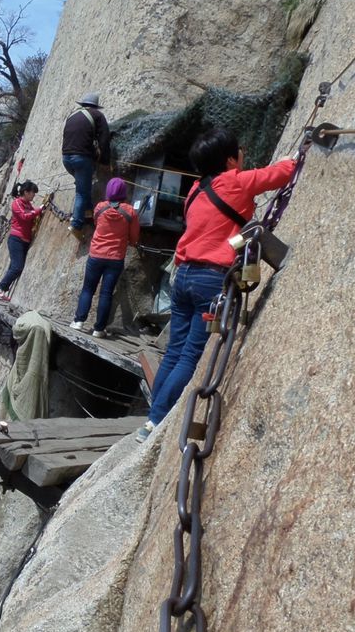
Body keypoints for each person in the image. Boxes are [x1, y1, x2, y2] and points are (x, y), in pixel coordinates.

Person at [136, 128, 295, 442]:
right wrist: (293, 157)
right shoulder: (235, 180)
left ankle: (152, 415)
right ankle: (156, 421)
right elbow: (281, 174)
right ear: (229, 159)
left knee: (173, 352)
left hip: (182, 276)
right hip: (211, 278)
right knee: (189, 355)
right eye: (239, 151)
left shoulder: (195, 191)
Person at [71, 177, 140, 337]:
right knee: (106, 293)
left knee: (88, 288)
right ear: (124, 192)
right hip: (116, 258)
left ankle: (79, 321)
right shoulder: (130, 212)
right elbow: (134, 238)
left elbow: (97, 223)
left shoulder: (100, 207)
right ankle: (99, 329)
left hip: (96, 254)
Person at [61, 92, 111, 238]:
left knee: (84, 186)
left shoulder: (72, 115)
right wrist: (105, 161)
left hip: (66, 159)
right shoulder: (98, 116)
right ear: (95, 106)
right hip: (81, 159)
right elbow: (104, 140)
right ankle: (76, 224)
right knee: (81, 192)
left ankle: (88, 213)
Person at [0, 181, 43, 302]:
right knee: (17, 267)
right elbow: (25, 216)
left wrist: (36, 211)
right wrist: (38, 210)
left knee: (13, 267)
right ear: (25, 192)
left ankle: (2, 290)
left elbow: (31, 214)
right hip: (16, 240)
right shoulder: (17, 203)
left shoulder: (28, 204)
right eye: (32, 193)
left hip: (24, 240)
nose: (33, 196)